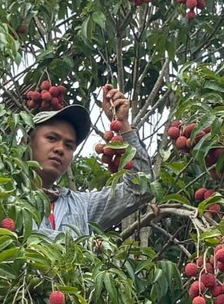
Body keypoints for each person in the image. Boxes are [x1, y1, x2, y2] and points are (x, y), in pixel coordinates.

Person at [28, 83, 153, 236]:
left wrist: (123, 125)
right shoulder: (0, 195)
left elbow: (140, 190)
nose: (60, 149)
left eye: (69, 146)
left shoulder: (82, 206)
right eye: (52, 138)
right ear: (28, 142)